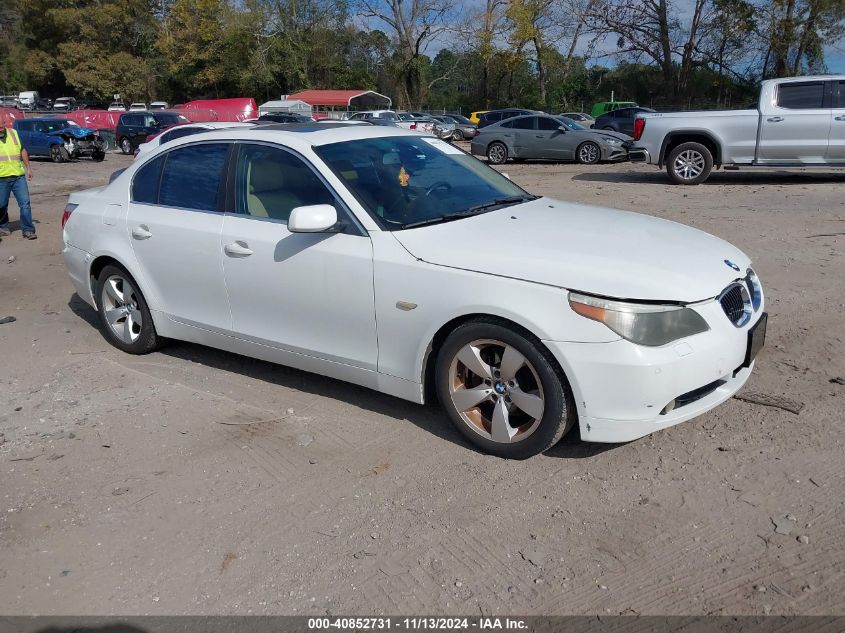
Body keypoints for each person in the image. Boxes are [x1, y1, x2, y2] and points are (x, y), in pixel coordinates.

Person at [0, 124, 36, 240]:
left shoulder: (13, 133)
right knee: (1, 205)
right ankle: (3, 226)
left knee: (25, 204)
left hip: (18, 176)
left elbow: (22, 150)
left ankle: (28, 230)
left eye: (2, 124)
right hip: (2, 178)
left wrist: (28, 168)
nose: (1, 127)